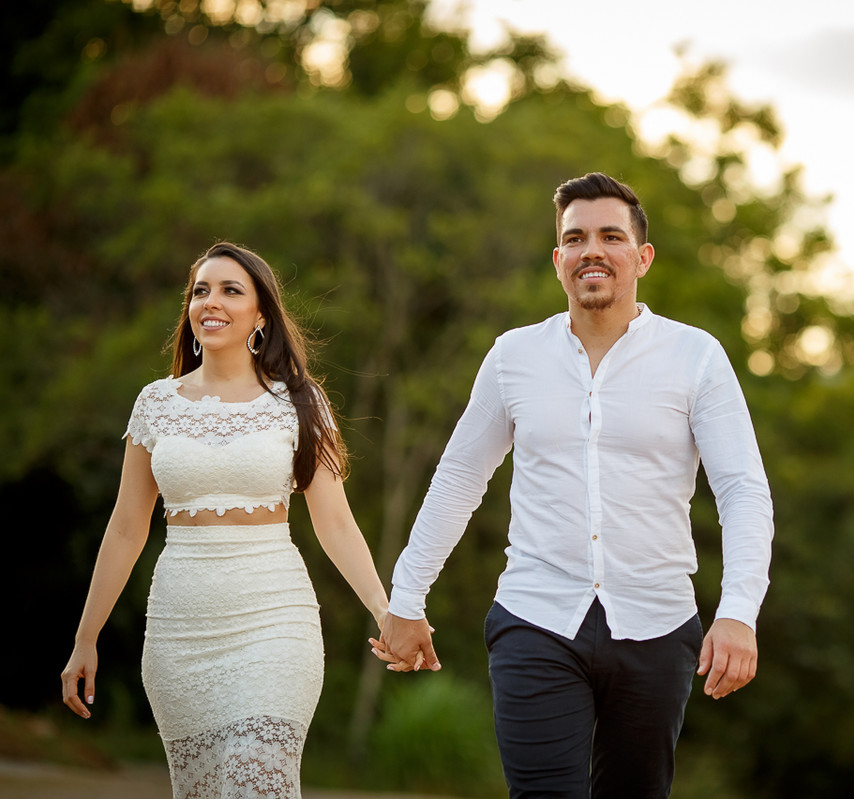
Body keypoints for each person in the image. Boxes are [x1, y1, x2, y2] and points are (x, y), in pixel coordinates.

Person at [372, 172, 774, 797]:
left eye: (611, 236)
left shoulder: (696, 357)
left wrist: (739, 613)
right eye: (576, 237)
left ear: (641, 257)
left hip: (658, 625)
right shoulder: (512, 357)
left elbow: (743, 490)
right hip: (535, 619)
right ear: (558, 259)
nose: (593, 250)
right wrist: (407, 597)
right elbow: (459, 476)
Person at [61, 241, 390, 799]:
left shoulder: (301, 403)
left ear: (261, 315)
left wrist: (387, 613)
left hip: (275, 625)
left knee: (255, 779)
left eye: (231, 290)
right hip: (180, 633)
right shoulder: (155, 403)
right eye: (201, 290)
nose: (210, 301)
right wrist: (84, 638)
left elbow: (335, 524)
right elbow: (126, 527)